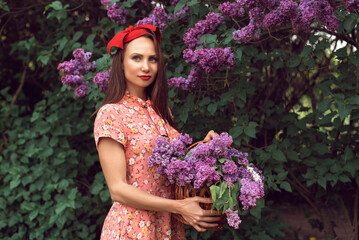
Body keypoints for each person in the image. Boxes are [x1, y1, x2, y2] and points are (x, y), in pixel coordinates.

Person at [93, 24, 222, 240]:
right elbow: (117, 189)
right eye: (136, 58)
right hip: (133, 228)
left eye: (152, 59)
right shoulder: (111, 114)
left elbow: (174, 167)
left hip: (167, 226)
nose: (146, 67)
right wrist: (179, 206)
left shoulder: (160, 112)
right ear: (121, 63)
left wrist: (203, 147)